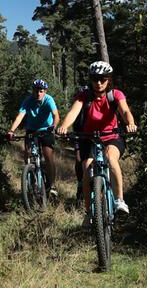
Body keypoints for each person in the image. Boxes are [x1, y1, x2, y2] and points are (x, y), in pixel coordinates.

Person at [57, 61, 137, 221]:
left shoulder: (115, 94)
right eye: (95, 79)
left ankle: (120, 200)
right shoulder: (84, 96)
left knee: (110, 157)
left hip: (112, 136)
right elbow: (73, 112)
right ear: (90, 79)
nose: (98, 83)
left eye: (102, 79)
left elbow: (125, 110)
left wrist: (131, 123)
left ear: (109, 80)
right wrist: (64, 126)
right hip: (89, 138)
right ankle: (88, 212)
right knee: (86, 168)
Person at [6, 79, 60, 199]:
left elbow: (56, 115)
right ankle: (31, 179)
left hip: (47, 129)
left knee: (48, 155)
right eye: (36, 90)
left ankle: (52, 185)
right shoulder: (28, 100)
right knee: (27, 154)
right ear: (33, 91)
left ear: (45, 91)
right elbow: (20, 116)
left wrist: (53, 126)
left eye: (41, 91)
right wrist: (11, 130)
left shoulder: (49, 99)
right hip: (32, 129)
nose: (38, 93)